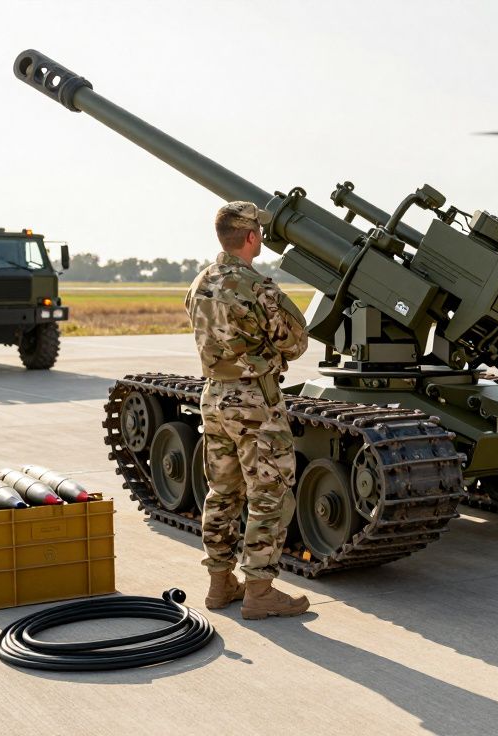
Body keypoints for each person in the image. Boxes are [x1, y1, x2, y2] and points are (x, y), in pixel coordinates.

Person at [186, 201, 311, 619]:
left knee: (222, 492)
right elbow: (295, 342)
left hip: (214, 396)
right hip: (255, 403)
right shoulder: (258, 287)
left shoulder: (200, 282)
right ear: (252, 237)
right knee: (269, 492)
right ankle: (260, 591)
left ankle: (220, 585)